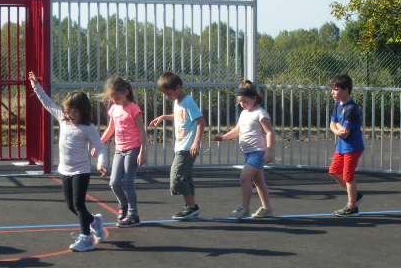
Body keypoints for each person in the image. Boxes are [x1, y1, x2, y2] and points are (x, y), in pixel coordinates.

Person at [28, 72, 109, 252]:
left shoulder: (88, 128)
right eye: (66, 111)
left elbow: (100, 147)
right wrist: (36, 86)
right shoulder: (63, 120)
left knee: (79, 204)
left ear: (83, 111)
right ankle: (95, 222)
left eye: (73, 111)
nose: (68, 114)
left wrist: (101, 163)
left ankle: (86, 238)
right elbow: (47, 103)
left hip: (81, 171)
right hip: (65, 170)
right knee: (71, 206)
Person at [212, 80, 274, 219]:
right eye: (240, 102)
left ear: (254, 98)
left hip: (258, 152)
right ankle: (267, 208)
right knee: (259, 182)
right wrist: (223, 138)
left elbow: (269, 132)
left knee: (244, 178)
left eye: (245, 101)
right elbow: (237, 130)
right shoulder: (244, 113)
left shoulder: (260, 113)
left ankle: (244, 208)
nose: (242, 104)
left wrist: (269, 151)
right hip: (248, 153)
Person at [149, 72, 206, 220]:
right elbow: (180, 116)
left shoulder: (188, 101)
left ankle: (191, 207)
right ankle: (191, 207)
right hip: (180, 146)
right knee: (186, 177)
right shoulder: (178, 102)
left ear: (179, 87)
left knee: (176, 177)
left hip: (187, 147)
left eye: (169, 93)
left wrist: (196, 142)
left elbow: (201, 121)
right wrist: (163, 117)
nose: (168, 96)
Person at [99, 76, 147, 228]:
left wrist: (142, 152)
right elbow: (110, 129)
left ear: (126, 93)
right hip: (119, 150)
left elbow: (142, 131)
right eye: (112, 98)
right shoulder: (114, 108)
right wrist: (99, 143)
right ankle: (123, 205)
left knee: (128, 181)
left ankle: (133, 215)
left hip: (133, 148)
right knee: (114, 182)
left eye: (117, 97)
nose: (114, 101)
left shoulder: (134, 109)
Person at [327, 73, 365, 216]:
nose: (333, 93)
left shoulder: (351, 109)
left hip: (352, 148)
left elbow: (346, 133)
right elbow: (332, 124)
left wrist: (337, 128)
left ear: (346, 90)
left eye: (336, 89)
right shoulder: (337, 105)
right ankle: (355, 195)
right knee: (334, 171)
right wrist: (337, 128)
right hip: (342, 147)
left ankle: (352, 206)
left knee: (348, 176)